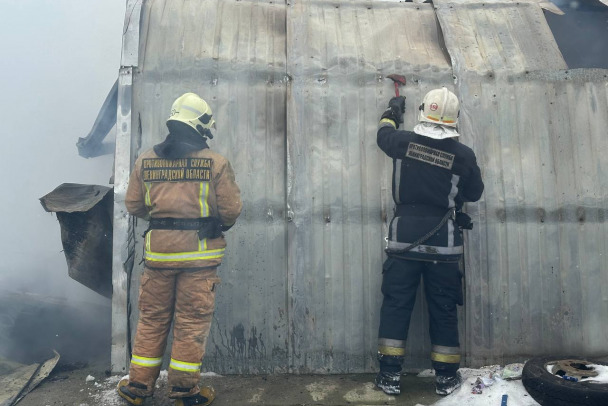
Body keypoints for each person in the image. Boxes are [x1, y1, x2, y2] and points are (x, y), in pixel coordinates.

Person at [118, 93, 242, 406]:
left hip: (158, 258)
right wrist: (215, 222)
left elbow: (133, 204)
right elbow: (231, 211)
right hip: (199, 261)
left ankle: (137, 387)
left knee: (152, 320)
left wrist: (163, 220)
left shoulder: (146, 160)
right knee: (190, 324)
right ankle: (184, 393)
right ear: (200, 126)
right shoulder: (215, 163)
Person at [374, 88, 484, 396]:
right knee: (443, 308)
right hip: (443, 243)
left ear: (424, 111)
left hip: (404, 241)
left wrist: (392, 112)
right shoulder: (463, 156)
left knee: (396, 305)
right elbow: (474, 193)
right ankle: (446, 378)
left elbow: (383, 135)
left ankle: (389, 376)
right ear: (454, 118)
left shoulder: (402, 142)